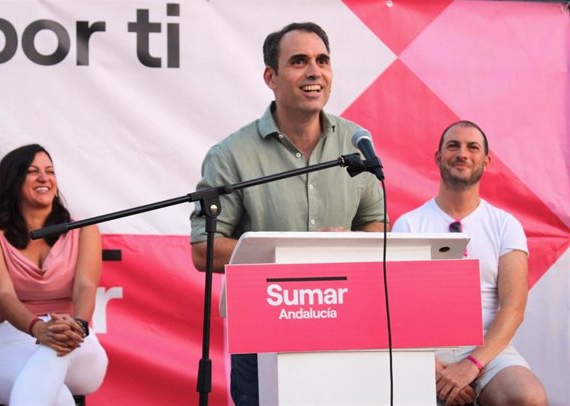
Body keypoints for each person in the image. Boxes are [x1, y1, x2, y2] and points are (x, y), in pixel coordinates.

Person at [190, 22, 387, 406]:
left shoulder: (357, 142)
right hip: (264, 328)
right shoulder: (231, 155)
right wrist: (299, 252)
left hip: (344, 319)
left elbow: (375, 225)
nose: (315, 71)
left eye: (322, 60)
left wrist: (346, 245)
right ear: (271, 77)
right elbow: (203, 250)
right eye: (299, 61)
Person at [392, 121, 547, 406]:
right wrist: (432, 368)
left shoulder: (505, 225)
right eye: (453, 145)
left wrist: (472, 364)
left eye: (472, 147)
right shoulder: (409, 225)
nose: (462, 153)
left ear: (486, 162)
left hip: (488, 349)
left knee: (528, 397)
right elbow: (399, 311)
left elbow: (514, 308)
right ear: (438, 157)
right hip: (426, 352)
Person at [0, 144, 108, 405]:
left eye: (50, 171)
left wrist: (77, 326)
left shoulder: (84, 229)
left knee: (52, 353)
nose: (44, 178)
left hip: (75, 336)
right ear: (12, 182)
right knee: (57, 397)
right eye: (33, 171)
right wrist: (39, 329)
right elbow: (2, 296)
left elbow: (85, 286)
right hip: (11, 335)